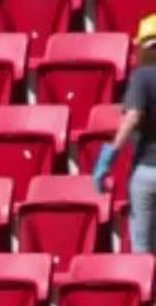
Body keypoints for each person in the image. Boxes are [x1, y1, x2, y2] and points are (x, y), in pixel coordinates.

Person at [94, 13, 156, 253]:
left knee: (142, 247)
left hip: (146, 170)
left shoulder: (142, 77)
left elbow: (132, 117)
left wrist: (108, 157)